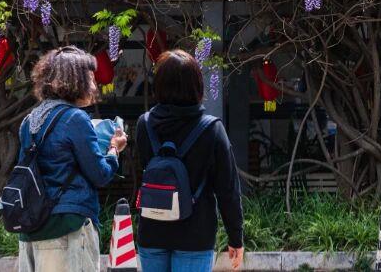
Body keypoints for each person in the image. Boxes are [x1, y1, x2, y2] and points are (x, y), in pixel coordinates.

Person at [17, 46, 128, 272]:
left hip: (31, 227)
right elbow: (100, 175)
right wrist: (114, 150)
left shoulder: (30, 120)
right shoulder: (75, 119)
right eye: (90, 79)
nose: (94, 86)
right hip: (67, 228)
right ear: (75, 81)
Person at [134, 50, 244, 272]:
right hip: (195, 235)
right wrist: (236, 237)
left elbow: (142, 174)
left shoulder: (144, 124)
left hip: (152, 230)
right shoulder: (212, 129)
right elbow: (228, 189)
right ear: (197, 85)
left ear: (159, 84)